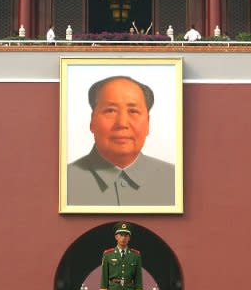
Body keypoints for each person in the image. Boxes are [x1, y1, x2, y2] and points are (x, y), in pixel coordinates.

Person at [67, 76, 175, 206]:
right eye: (110, 110)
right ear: (92, 121)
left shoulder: (174, 180)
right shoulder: (64, 181)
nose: (122, 123)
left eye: (133, 111)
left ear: (148, 124)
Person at [100, 222, 143, 290]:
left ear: (129, 238)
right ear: (116, 237)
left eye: (126, 236)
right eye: (121, 235)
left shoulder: (135, 255)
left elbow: (138, 277)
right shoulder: (108, 254)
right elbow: (104, 276)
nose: (123, 238)